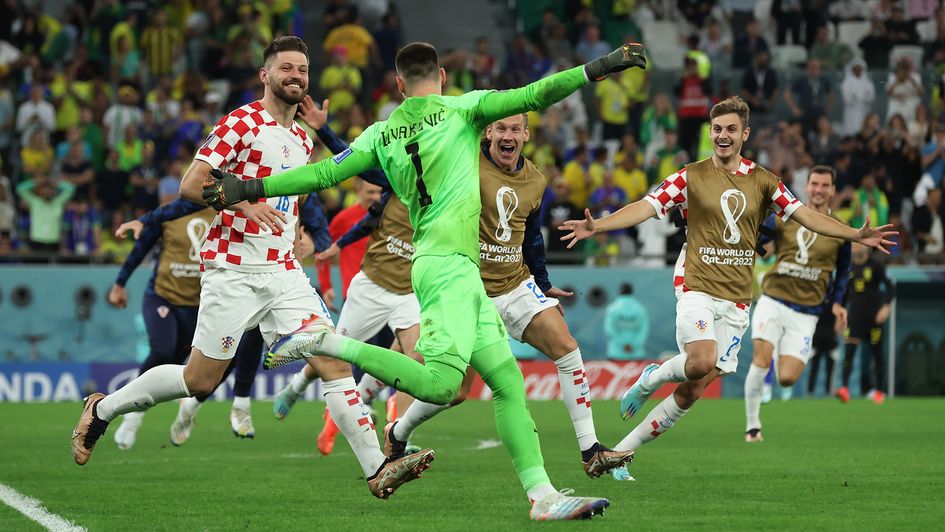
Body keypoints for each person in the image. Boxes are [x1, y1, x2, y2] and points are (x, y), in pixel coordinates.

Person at [202, 40, 647, 520]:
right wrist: (600, 66)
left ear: (398, 85)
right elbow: (536, 93)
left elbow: (322, 175)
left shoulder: (381, 132)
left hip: (451, 266)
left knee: (506, 381)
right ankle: (327, 342)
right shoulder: (464, 109)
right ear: (441, 78)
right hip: (448, 266)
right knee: (440, 385)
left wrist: (249, 187)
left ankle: (543, 497)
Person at [71, 36, 433, 500]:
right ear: (265, 75)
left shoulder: (303, 138)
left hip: (283, 272)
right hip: (233, 270)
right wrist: (245, 208)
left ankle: (377, 468)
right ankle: (102, 410)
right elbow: (191, 184)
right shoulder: (242, 122)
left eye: (302, 70)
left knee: (332, 361)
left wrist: (300, 234)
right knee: (198, 379)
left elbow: (292, 199)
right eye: (286, 69)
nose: (295, 77)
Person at [557, 96, 896, 464]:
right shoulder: (690, 175)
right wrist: (599, 225)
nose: (723, 135)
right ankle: (651, 379)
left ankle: (622, 451)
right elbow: (646, 205)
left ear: (744, 134)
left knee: (693, 389)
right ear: (710, 132)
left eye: (731, 129)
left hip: (737, 298)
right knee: (701, 359)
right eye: (717, 129)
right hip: (696, 283)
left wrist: (854, 234)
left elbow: (806, 216)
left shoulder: (765, 182)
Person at [376, 112, 634, 479]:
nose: (507, 135)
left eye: (515, 129)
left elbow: (531, 235)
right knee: (457, 389)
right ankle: (398, 432)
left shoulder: (536, 179)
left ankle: (591, 450)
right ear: (488, 132)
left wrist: (542, 282)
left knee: (567, 347)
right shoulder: (465, 163)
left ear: (526, 135)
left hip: (515, 282)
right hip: (468, 290)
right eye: (501, 128)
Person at [271, 98, 421, 456]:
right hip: (372, 286)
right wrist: (322, 128)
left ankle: (399, 433)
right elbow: (354, 164)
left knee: (415, 360)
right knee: (331, 348)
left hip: (409, 291)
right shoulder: (395, 182)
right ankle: (295, 387)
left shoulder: (452, 191)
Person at [743, 166, 852, 442]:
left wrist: (838, 303)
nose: (818, 189)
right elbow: (755, 238)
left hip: (806, 313)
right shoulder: (784, 217)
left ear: (832, 190)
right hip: (773, 300)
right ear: (807, 187)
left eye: (825, 185)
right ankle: (753, 427)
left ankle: (778, 345)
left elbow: (843, 273)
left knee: (787, 378)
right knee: (761, 358)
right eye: (814, 184)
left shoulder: (840, 231)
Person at [837, 243, 895, 404]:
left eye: (858, 244)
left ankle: (879, 391)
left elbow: (890, 287)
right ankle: (844, 389)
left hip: (874, 319)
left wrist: (885, 307)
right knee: (849, 352)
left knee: (876, 355)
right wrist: (839, 314)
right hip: (855, 319)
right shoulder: (848, 266)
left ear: (866, 246)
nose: (855, 247)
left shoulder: (876, 264)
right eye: (853, 244)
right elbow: (844, 294)